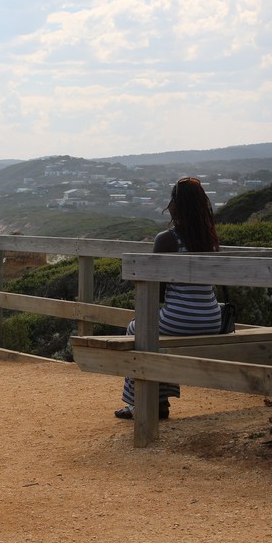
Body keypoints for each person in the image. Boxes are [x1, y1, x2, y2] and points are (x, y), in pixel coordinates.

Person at [115, 177, 222, 421]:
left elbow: (157, 293)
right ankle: (160, 401)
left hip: (180, 319)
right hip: (212, 319)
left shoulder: (167, 239)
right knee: (153, 332)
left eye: (172, 200)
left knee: (137, 329)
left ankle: (142, 403)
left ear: (177, 206)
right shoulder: (211, 241)